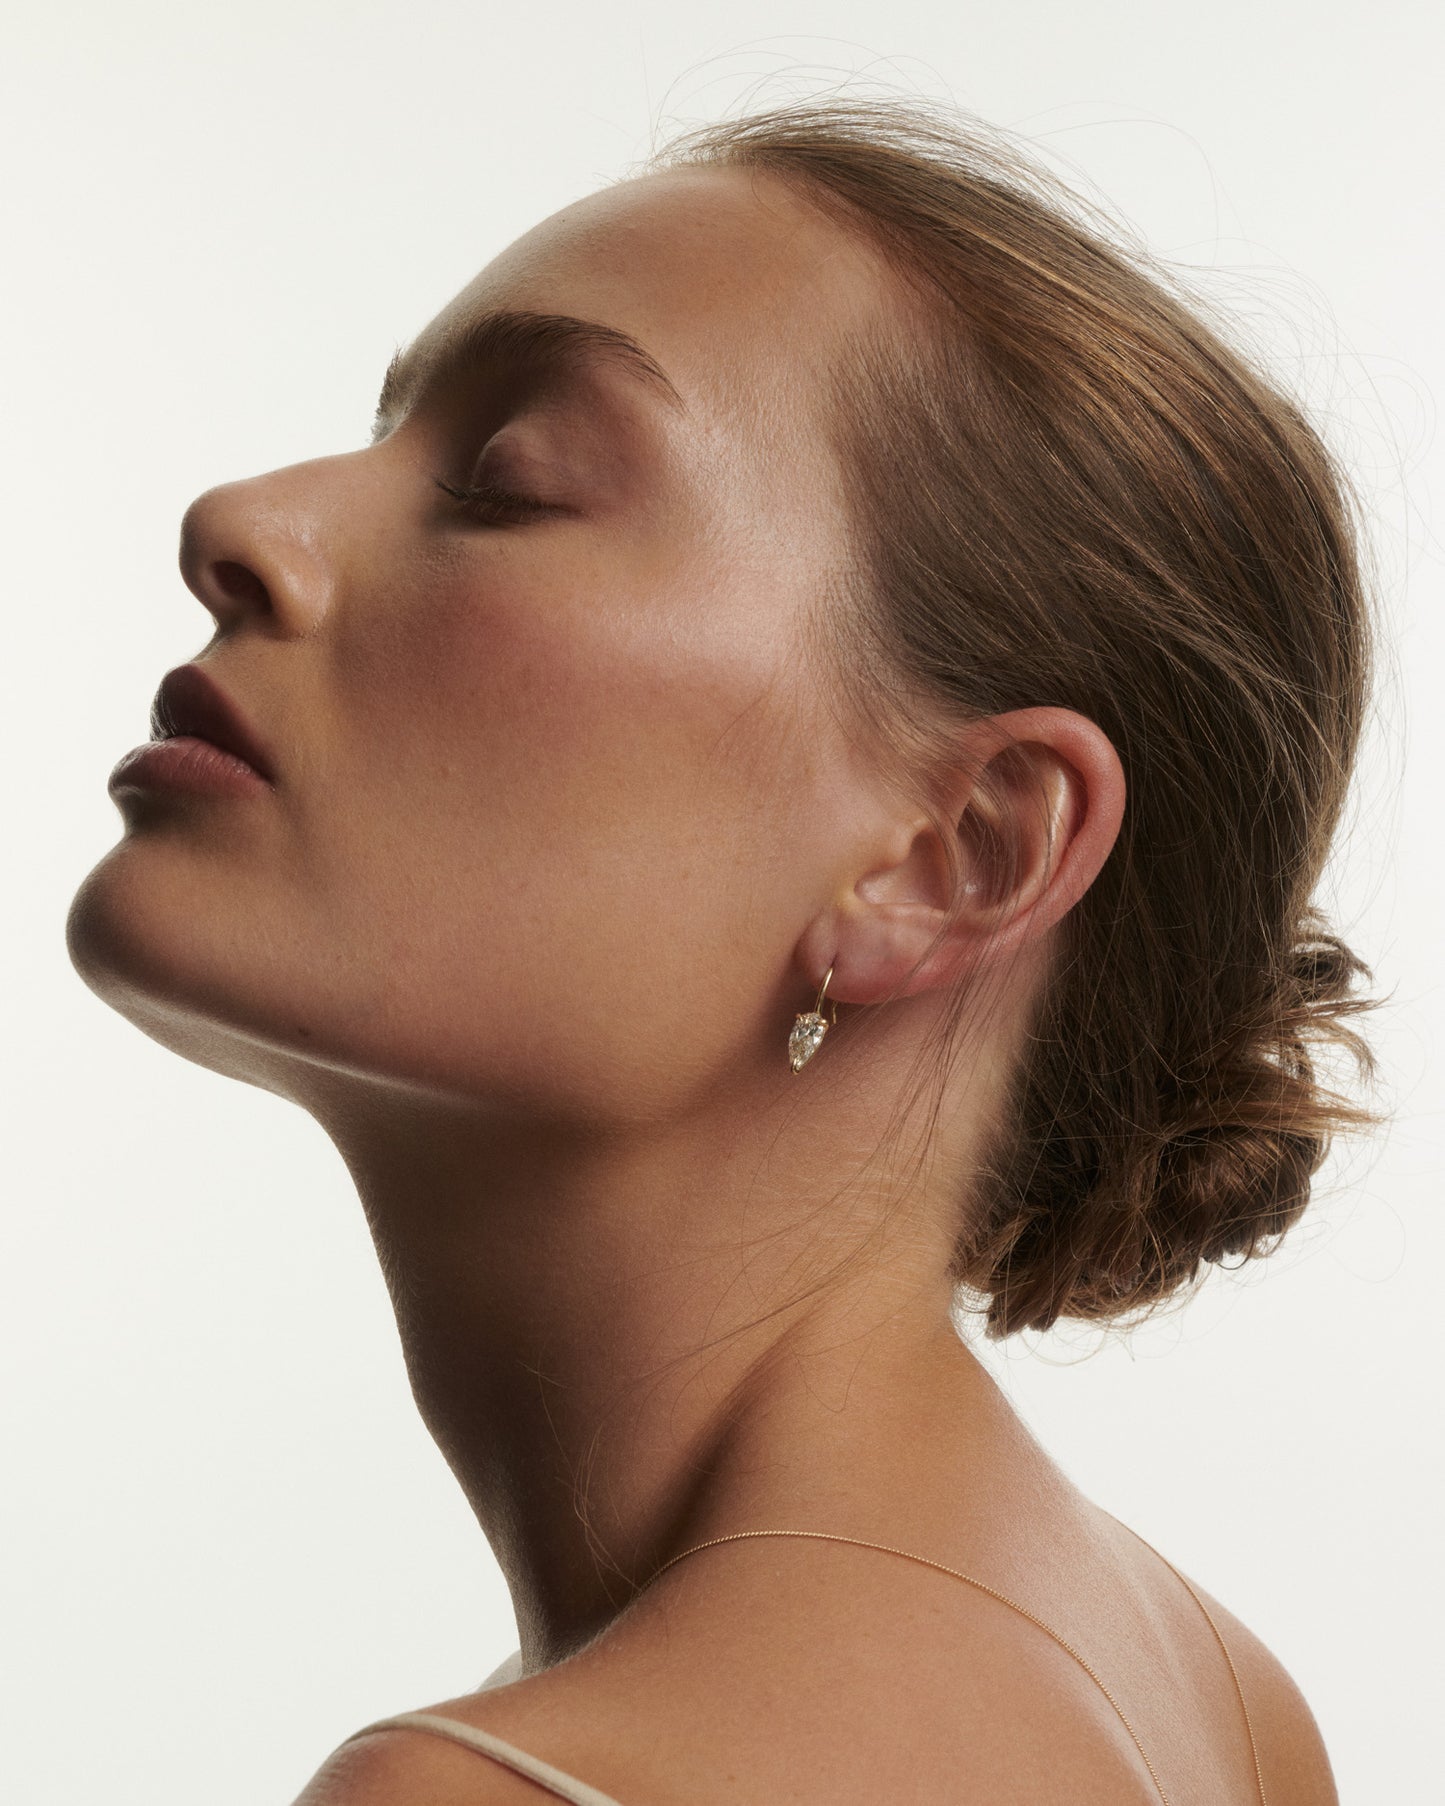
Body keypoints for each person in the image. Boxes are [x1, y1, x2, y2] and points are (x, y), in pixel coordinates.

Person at [66, 95, 1382, 1804]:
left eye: (505, 481)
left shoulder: (497, 1793)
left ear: (954, 852)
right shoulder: (1217, 1700)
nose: (236, 515)